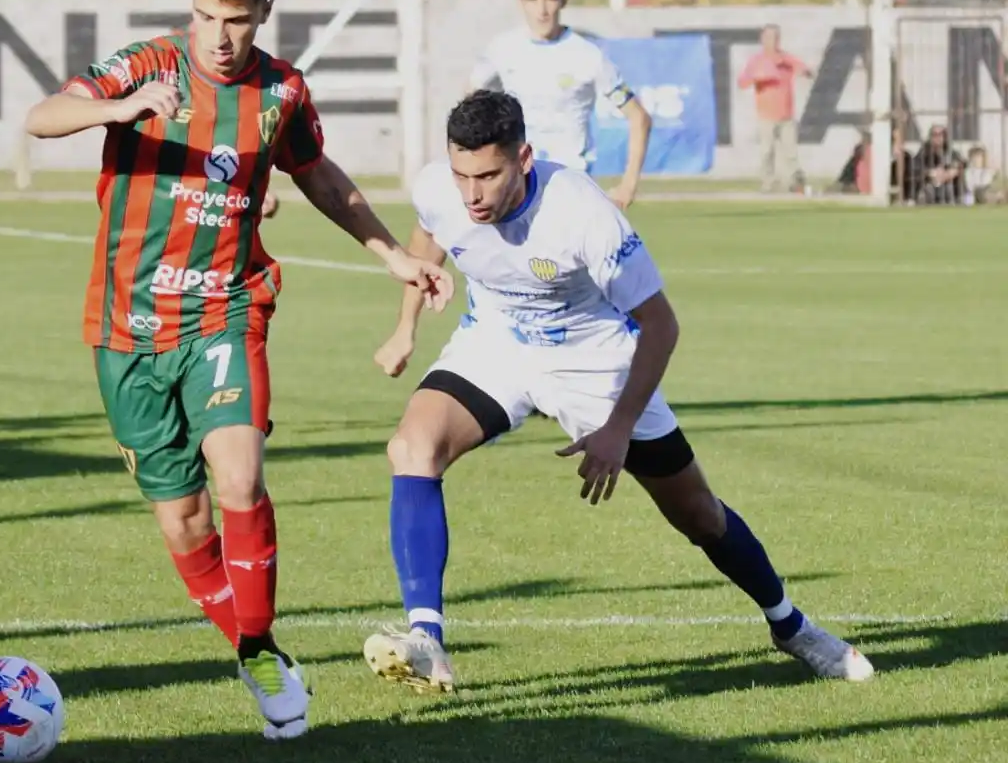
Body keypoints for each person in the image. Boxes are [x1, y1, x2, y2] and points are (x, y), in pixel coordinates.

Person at [24, 0, 453, 739]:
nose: (220, 37)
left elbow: (317, 173)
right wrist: (116, 110)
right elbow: (42, 116)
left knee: (240, 476)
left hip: (226, 308)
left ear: (264, 12)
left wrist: (393, 253)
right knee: (186, 522)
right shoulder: (148, 66)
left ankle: (255, 648)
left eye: (238, 19)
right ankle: (262, 652)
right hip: (126, 328)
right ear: (190, 4)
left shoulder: (282, 90)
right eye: (206, 16)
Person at [363, 90, 875, 694]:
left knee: (698, 515)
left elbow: (662, 326)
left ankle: (792, 627)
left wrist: (618, 428)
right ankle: (427, 640)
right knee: (412, 448)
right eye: (461, 175)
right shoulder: (439, 188)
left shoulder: (582, 213)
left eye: (488, 176)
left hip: (594, 360)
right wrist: (406, 326)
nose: (471, 193)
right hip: (496, 345)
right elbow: (429, 236)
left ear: (524, 158)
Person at [469, 0, 651, 210]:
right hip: (517, 183)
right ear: (521, 2)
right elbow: (469, 104)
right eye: (533, 0)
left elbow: (639, 117)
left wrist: (628, 185)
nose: (542, 10)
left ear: (564, 0)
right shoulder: (502, 49)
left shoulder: (587, 55)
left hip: (570, 183)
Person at [736, 24, 813, 194]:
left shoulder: (785, 59)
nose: (773, 41)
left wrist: (804, 71)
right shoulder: (756, 61)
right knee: (766, 151)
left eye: (776, 37)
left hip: (786, 115)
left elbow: (805, 69)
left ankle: (794, 183)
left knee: (791, 152)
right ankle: (768, 183)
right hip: (766, 115)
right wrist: (758, 78)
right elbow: (742, 82)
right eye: (770, 37)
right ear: (762, 39)